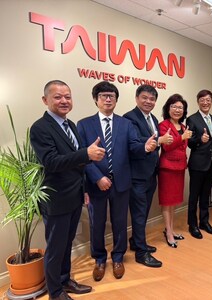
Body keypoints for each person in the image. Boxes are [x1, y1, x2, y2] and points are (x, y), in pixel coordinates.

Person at [30, 80, 105, 300]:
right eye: (57, 97)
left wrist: (83, 189)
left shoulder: (70, 125)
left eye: (68, 96)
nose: (64, 101)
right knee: (55, 249)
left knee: (66, 244)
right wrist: (86, 154)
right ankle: (55, 292)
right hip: (56, 200)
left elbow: (75, 164)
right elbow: (51, 162)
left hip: (74, 196)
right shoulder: (40, 128)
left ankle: (64, 280)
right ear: (45, 100)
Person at [77, 81, 156, 281]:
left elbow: (133, 146)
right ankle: (100, 259)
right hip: (97, 184)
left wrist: (145, 147)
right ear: (96, 99)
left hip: (121, 183)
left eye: (112, 96)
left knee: (120, 222)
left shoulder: (125, 123)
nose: (108, 99)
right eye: (103, 95)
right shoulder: (84, 124)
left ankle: (118, 257)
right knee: (98, 224)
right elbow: (81, 156)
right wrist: (97, 178)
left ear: (116, 100)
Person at [123, 84, 172, 268]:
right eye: (144, 98)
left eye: (152, 99)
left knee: (142, 212)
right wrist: (158, 141)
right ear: (137, 98)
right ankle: (141, 254)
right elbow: (134, 142)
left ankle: (136, 242)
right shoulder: (130, 118)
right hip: (137, 176)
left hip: (151, 173)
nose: (148, 101)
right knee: (139, 212)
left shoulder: (152, 118)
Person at [158, 94, 192, 248]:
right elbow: (166, 146)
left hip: (180, 168)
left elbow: (182, 147)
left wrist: (183, 137)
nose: (177, 110)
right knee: (167, 202)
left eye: (180, 107)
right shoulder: (164, 125)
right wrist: (182, 137)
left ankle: (169, 229)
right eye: (174, 106)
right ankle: (169, 233)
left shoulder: (184, 127)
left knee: (174, 202)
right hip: (167, 169)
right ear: (168, 108)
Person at [186, 89, 212, 239]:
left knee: (206, 195)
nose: (205, 103)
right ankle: (192, 224)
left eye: (208, 100)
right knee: (194, 196)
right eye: (202, 100)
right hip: (197, 164)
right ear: (198, 102)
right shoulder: (192, 119)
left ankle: (204, 222)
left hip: (211, 164)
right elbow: (189, 143)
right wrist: (200, 140)